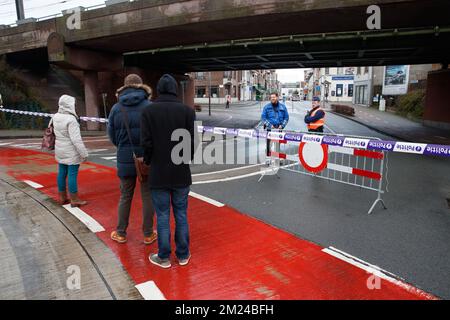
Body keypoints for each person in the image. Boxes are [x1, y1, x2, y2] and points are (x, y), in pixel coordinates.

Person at [141, 74, 196, 269]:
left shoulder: (148, 112)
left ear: (158, 90)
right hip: (181, 172)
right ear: (174, 89)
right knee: (181, 213)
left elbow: (146, 143)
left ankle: (163, 256)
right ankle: (183, 255)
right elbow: (190, 143)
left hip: (158, 172)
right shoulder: (187, 112)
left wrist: (149, 161)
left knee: (162, 215)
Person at [107, 74, 156, 245]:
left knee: (125, 195)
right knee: (148, 195)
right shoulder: (150, 107)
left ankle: (120, 233)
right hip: (146, 159)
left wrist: (122, 146)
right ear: (141, 86)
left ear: (125, 87)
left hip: (125, 158)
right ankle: (148, 234)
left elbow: (112, 135)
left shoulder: (116, 108)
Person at [53, 95, 88, 207]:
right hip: (71, 151)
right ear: (70, 105)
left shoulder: (55, 116)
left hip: (60, 149)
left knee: (62, 173)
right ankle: (74, 199)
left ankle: (62, 197)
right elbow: (76, 140)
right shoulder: (71, 119)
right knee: (72, 174)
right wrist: (84, 154)